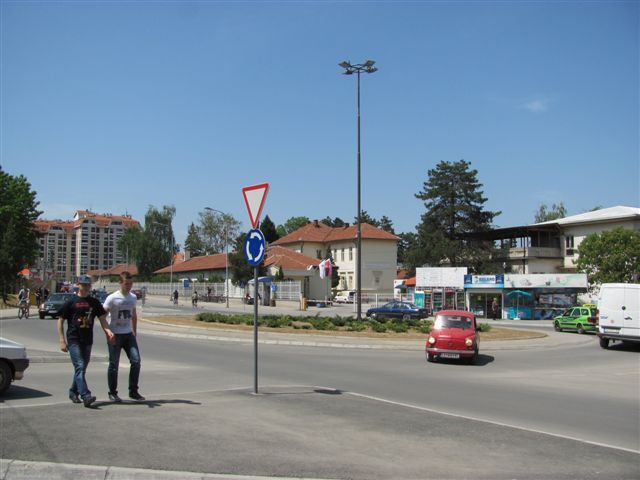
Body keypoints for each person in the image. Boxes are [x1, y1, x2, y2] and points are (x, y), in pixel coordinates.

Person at [57, 275, 114, 407]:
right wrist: (61, 340)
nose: (86, 287)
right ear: (78, 285)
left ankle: (73, 391)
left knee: (81, 369)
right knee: (80, 366)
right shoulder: (71, 302)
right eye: (84, 285)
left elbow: (102, 319)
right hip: (73, 339)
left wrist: (108, 331)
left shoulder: (94, 302)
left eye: (88, 285)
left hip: (87, 340)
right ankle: (86, 395)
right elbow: (60, 320)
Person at [102, 271, 145, 402]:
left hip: (128, 334)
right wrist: (108, 332)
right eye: (126, 284)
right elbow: (102, 317)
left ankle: (133, 391)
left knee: (136, 361)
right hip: (115, 334)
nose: (129, 286)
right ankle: (112, 392)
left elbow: (134, 315)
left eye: (131, 284)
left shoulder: (132, 298)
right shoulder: (112, 298)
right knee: (114, 364)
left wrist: (134, 331)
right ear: (120, 283)